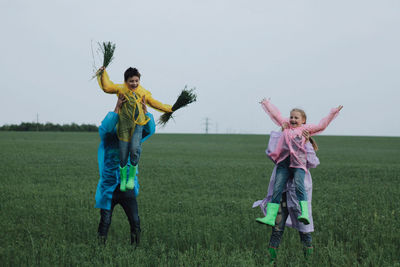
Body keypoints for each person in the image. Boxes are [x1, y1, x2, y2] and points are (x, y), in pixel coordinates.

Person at [256, 98, 342, 226]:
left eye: (296, 118)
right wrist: (267, 104)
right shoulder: (286, 125)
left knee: (299, 186)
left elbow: (322, 125)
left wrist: (333, 112)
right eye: (291, 117)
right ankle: (270, 216)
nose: (293, 120)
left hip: (298, 164)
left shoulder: (306, 129)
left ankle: (305, 213)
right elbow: (276, 115)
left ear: (303, 120)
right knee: (277, 188)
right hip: (284, 164)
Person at [97, 66, 172, 192]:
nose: (134, 83)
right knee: (123, 154)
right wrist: (103, 72)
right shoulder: (121, 89)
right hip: (123, 127)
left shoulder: (143, 92)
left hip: (138, 124)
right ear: (126, 81)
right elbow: (106, 87)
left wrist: (169, 109)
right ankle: (123, 180)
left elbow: (154, 103)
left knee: (134, 149)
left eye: (137, 81)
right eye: (131, 81)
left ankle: (131, 178)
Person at [95, 95, 155, 247]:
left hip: (127, 186)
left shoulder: (133, 137)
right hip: (109, 187)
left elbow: (149, 130)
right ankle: (99, 249)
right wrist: (117, 108)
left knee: (135, 220)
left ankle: (135, 249)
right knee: (105, 221)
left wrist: (144, 112)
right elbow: (105, 127)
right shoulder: (109, 136)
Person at [253, 130, 319, 263]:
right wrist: (280, 132)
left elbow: (314, 162)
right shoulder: (282, 156)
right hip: (282, 198)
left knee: (305, 232)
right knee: (277, 229)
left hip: (298, 200)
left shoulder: (303, 155)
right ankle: (271, 261)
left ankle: (308, 261)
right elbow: (271, 152)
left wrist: (307, 143)